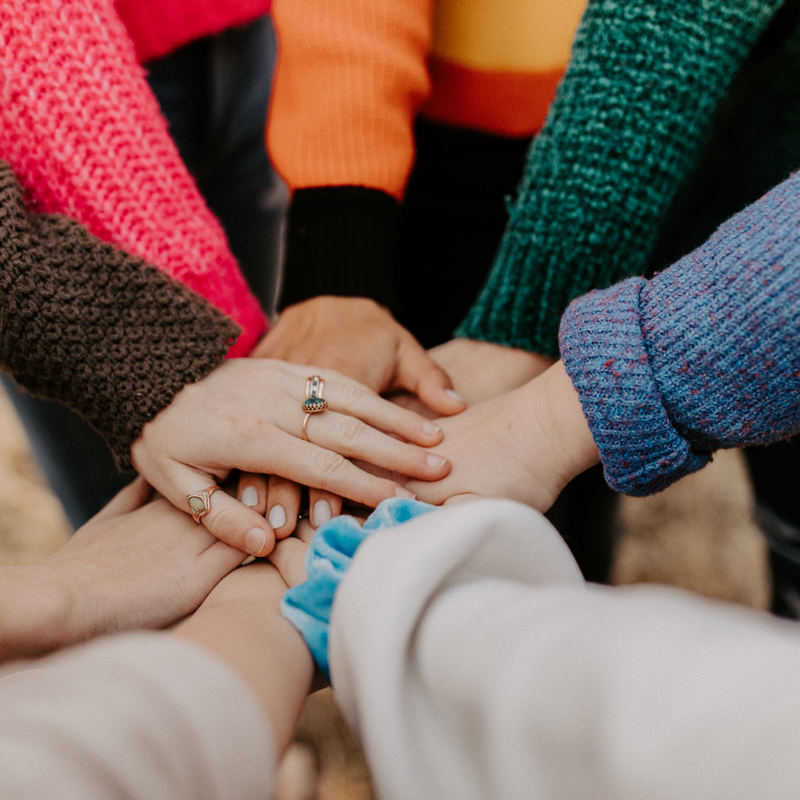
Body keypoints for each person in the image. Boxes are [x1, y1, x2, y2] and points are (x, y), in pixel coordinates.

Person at [0, 161, 446, 557]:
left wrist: (336, 276)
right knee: (151, 523)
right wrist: (132, 359)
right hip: (37, 217)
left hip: (237, 94)